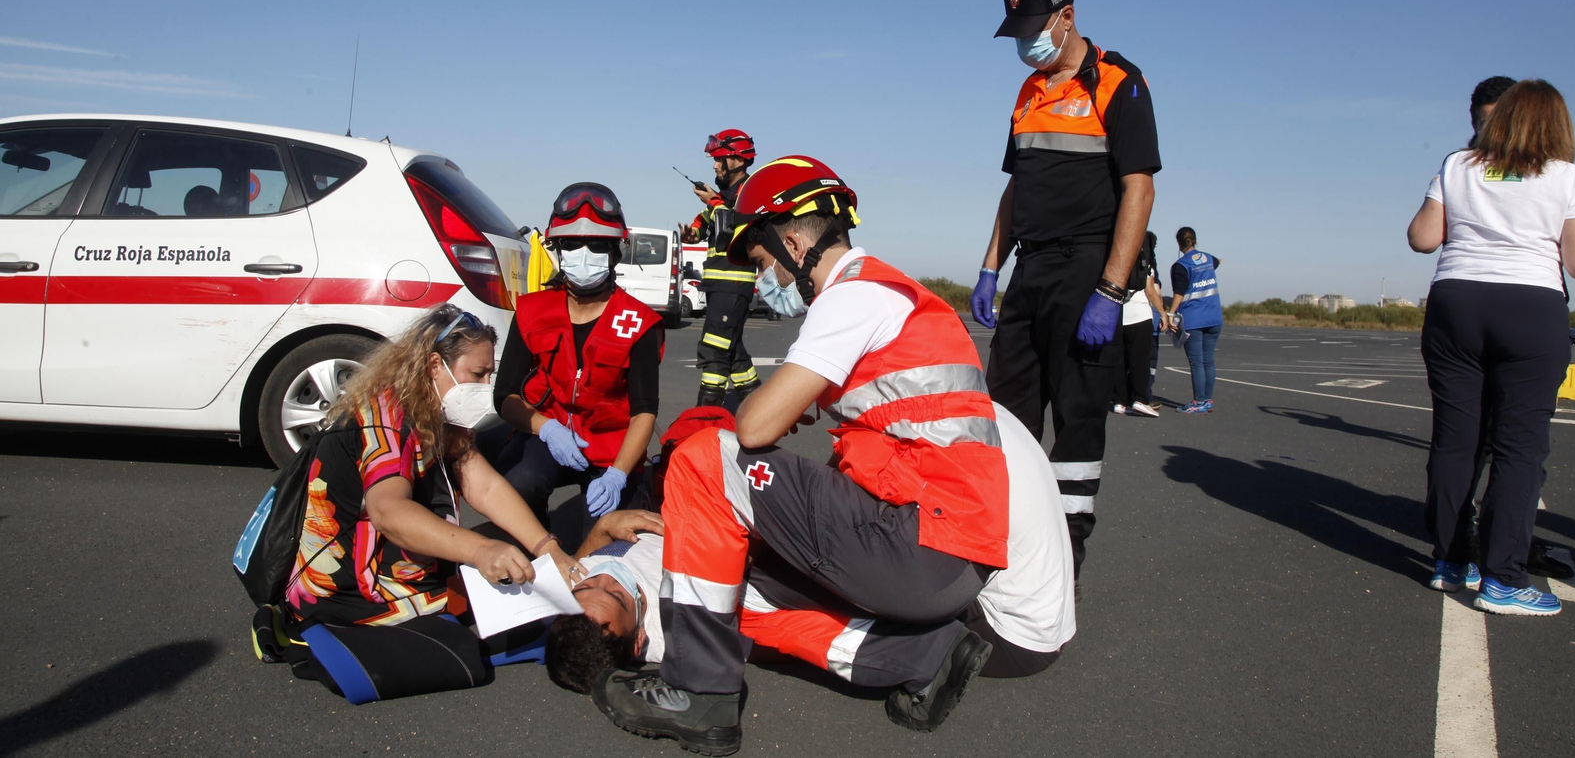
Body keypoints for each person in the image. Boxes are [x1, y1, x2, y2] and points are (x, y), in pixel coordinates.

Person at [593, 156, 1022, 755]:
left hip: (923, 545)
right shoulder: (893, 293)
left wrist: (785, 403)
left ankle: (698, 693)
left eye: (763, 262)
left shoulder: (852, 298)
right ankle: (922, 655)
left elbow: (752, 428)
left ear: (792, 239)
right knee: (740, 590)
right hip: (944, 558)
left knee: (701, 458)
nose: (763, 278)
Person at [548, 408, 1074, 699]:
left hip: (1011, 621)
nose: (598, 579)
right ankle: (926, 654)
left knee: (778, 517)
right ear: (639, 637)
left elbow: (849, 516)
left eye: (591, 584)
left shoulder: (936, 431)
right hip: (1009, 627)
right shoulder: (956, 414)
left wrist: (600, 533)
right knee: (768, 611)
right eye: (606, 592)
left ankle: (919, 647)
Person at [270, 303, 583, 702]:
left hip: (384, 563)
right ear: (435, 364)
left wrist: (547, 548)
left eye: (489, 374)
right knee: (483, 630)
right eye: (477, 373)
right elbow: (388, 512)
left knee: (518, 556)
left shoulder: (430, 409)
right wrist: (481, 550)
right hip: (347, 588)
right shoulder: (385, 417)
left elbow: (483, 485)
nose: (486, 385)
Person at [969, 0, 1160, 581]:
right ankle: (1011, 549)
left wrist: (1110, 288)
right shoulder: (1027, 92)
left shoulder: (1118, 83)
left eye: (1033, 28)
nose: (1026, 43)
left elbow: (1139, 189)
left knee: (1077, 418)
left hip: (1086, 267)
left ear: (1066, 18)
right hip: (1031, 268)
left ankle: (1064, 557)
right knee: (1008, 409)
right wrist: (991, 266)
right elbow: (1013, 188)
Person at [1407, 79, 1575, 615]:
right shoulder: (1564, 175)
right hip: (1529, 306)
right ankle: (1503, 577)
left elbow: (1423, 237)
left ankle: (1448, 560)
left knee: (1455, 439)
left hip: (1455, 301)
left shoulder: (1458, 164)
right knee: (1519, 447)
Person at [485, 183, 663, 527]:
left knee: (604, 536)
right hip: (548, 436)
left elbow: (644, 412)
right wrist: (547, 428)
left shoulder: (640, 323)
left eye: (596, 245)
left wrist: (618, 475)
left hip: (611, 448)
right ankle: (536, 548)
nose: (583, 253)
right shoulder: (532, 311)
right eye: (571, 245)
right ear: (558, 250)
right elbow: (504, 394)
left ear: (615, 252)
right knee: (519, 484)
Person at [683, 130, 762, 409]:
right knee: (733, 350)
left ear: (738, 161)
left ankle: (706, 414)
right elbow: (706, 221)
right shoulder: (724, 196)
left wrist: (713, 203)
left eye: (719, 159)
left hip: (734, 283)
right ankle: (757, 406)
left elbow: (731, 221)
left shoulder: (751, 192)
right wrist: (692, 234)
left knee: (714, 348)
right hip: (718, 284)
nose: (715, 165)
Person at [1113, 230, 1166, 418]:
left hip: (1119, 315)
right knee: (1140, 362)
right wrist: (1163, 313)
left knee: (1120, 360)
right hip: (1140, 316)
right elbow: (1150, 290)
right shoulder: (1145, 263)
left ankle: (1119, 400)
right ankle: (1140, 399)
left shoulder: (1117, 260)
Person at [1169, 227, 1223, 415]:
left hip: (1195, 319)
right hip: (1214, 317)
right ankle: (1206, 399)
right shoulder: (1209, 259)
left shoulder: (1181, 265)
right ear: (1195, 240)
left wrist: (1171, 314)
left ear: (1179, 243)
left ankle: (1198, 401)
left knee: (1197, 362)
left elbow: (1179, 293)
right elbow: (1216, 263)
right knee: (1209, 360)